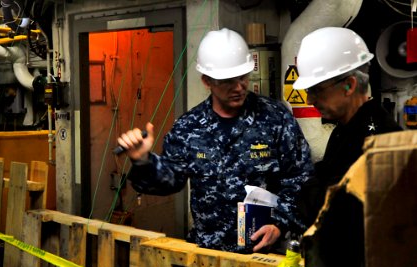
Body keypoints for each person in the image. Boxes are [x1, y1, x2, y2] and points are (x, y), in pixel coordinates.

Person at [117, 28, 314, 253]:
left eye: (242, 77)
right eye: (228, 81)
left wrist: (280, 223)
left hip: (263, 252)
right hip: (208, 253)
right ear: (207, 80)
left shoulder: (275, 118)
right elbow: (170, 181)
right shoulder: (188, 127)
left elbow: (301, 178)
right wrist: (143, 161)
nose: (239, 87)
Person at [293, 27, 403, 267]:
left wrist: (312, 191)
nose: (309, 99)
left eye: (316, 90)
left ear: (349, 85)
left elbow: (333, 214)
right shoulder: (345, 130)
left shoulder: (377, 140)